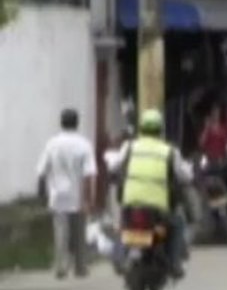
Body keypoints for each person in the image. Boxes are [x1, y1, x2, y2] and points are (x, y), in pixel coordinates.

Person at [116, 109, 194, 279]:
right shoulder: (169, 151)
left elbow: (114, 165)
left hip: (131, 203)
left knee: (123, 225)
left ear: (141, 128)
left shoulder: (129, 147)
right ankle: (174, 264)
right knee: (178, 224)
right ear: (160, 130)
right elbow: (185, 174)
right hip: (159, 207)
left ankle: (120, 258)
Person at [36, 108, 97, 280]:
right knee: (79, 233)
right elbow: (89, 174)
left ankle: (61, 267)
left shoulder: (52, 143)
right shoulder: (84, 144)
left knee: (60, 233)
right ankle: (80, 267)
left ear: (61, 123)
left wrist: (42, 192)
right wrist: (89, 198)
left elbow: (42, 170)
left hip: (57, 195)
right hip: (77, 195)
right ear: (77, 123)